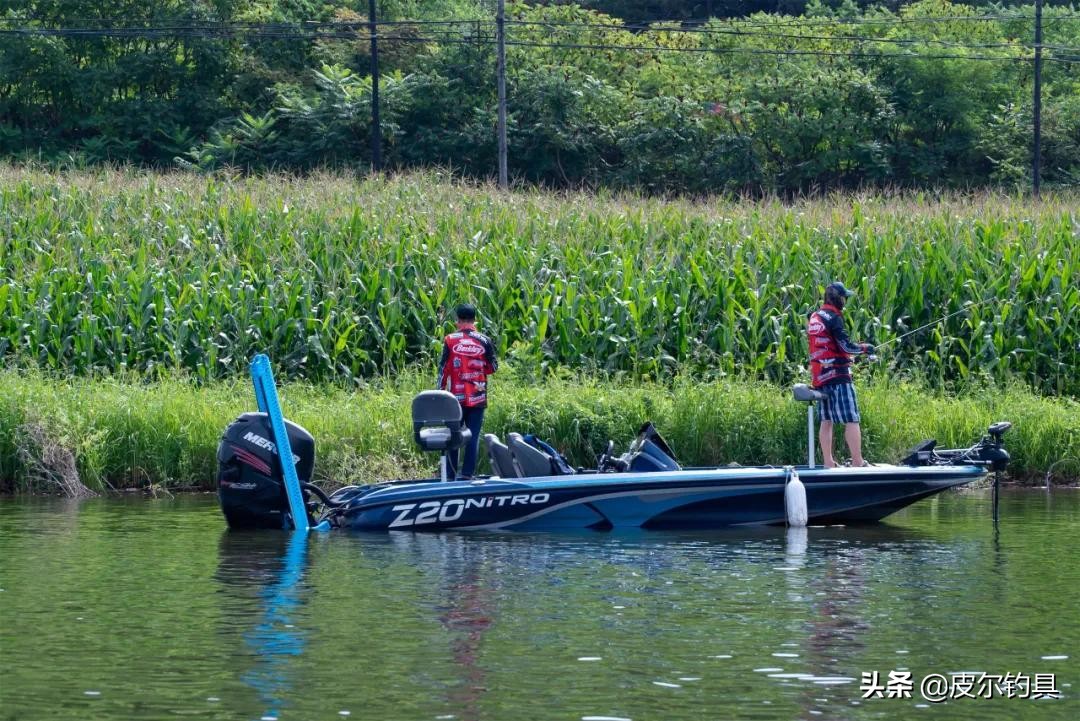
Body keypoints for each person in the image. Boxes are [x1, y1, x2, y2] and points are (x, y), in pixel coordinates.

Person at [807, 282, 874, 468]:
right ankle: (857, 462)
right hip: (838, 376)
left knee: (826, 420)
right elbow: (846, 347)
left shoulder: (815, 317)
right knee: (852, 418)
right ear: (837, 298)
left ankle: (828, 462)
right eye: (844, 297)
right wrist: (865, 348)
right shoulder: (834, 318)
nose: (845, 301)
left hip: (820, 377)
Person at [437, 304, 498, 479]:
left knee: (453, 436)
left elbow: (443, 370)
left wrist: (440, 391)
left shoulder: (450, 340)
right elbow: (493, 367)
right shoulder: (485, 340)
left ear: (458, 320)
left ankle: (450, 476)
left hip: (455, 398)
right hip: (478, 395)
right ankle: (467, 475)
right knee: (473, 436)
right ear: (474, 320)